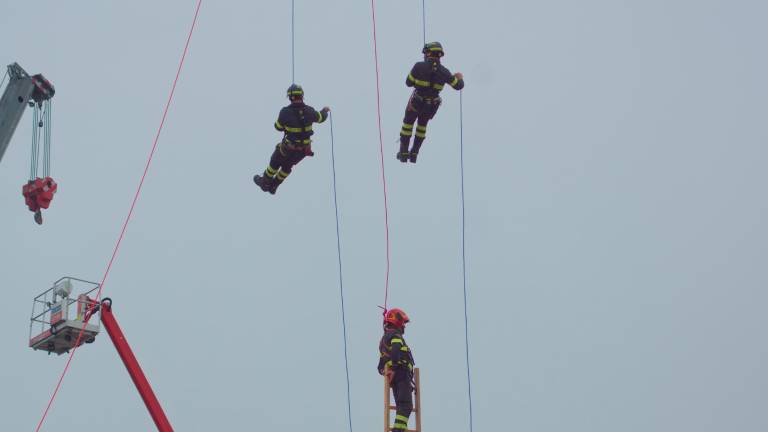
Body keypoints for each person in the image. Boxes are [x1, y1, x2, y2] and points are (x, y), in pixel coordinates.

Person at [253, 84, 330, 194]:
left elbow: (278, 127)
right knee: (287, 166)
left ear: (290, 97)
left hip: (288, 148)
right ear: (302, 96)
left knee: (275, 162)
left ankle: (265, 182)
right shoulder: (310, 111)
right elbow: (321, 117)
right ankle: (274, 186)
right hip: (303, 151)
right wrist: (325, 110)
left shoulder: (285, 112)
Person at [398, 41, 465, 163]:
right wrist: (459, 77)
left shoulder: (418, 66)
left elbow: (408, 83)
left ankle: (403, 152)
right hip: (431, 106)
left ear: (428, 53)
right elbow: (458, 86)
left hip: (416, 103)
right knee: (422, 127)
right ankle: (414, 153)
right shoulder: (445, 72)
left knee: (407, 125)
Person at [378, 308, 415, 432]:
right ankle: (398, 430)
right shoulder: (395, 335)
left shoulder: (383, 340)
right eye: (403, 323)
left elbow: (380, 364)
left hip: (395, 377)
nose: (404, 326)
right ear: (397, 321)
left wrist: (386, 371)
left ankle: (400, 429)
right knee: (406, 406)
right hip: (401, 374)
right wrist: (393, 368)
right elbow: (395, 351)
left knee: (401, 406)